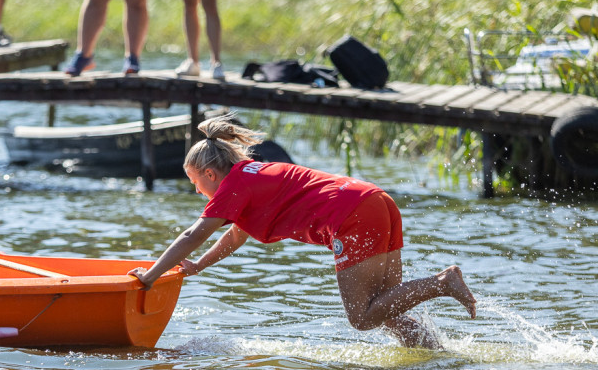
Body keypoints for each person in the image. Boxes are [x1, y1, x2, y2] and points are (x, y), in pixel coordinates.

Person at [128, 117, 477, 349]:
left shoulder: (234, 185)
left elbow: (193, 234)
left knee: (362, 317)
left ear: (210, 173)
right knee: (387, 311)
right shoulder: (252, 173)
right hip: (377, 201)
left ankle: (443, 282)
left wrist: (150, 277)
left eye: (196, 183)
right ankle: (439, 359)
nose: (197, 192)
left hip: (352, 215)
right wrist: (199, 267)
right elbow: (235, 236)